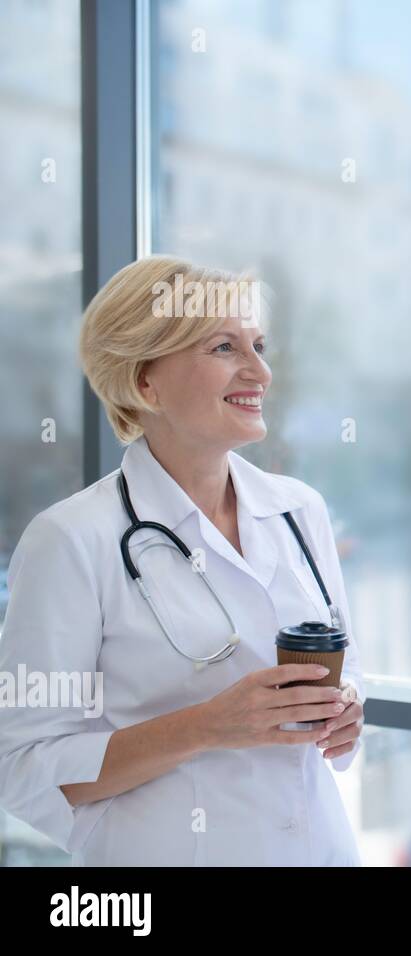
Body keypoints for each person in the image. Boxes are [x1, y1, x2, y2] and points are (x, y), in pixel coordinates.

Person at [0, 256, 365, 865]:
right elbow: (23, 767)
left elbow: (349, 672)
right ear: (146, 383)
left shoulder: (300, 511)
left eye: (259, 345)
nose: (260, 371)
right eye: (224, 347)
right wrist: (206, 726)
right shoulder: (70, 539)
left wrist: (346, 709)